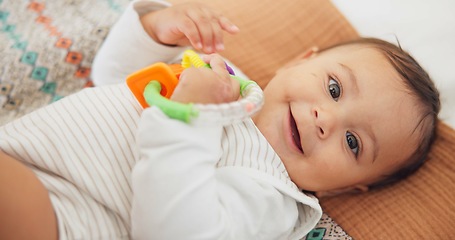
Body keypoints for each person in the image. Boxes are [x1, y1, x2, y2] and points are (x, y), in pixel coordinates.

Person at [0, 0, 440, 239]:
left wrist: (188, 118)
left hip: (64, 218)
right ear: (297, 60)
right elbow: (114, 79)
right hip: (27, 155)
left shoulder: (272, 195)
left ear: (344, 188)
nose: (326, 120)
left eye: (353, 143)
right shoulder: (225, 78)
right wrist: (156, 30)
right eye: (334, 88)